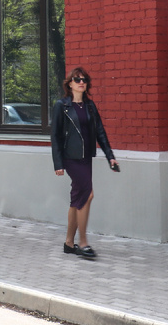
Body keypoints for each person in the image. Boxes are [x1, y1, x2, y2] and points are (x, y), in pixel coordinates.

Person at [51, 67, 118, 259]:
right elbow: (55, 136)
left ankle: (69, 243)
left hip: (86, 157)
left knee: (78, 198)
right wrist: (58, 163)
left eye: (84, 80)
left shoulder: (90, 106)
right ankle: (83, 243)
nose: (81, 82)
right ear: (70, 84)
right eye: (77, 79)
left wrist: (110, 156)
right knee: (88, 194)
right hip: (70, 157)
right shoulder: (62, 106)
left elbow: (100, 132)